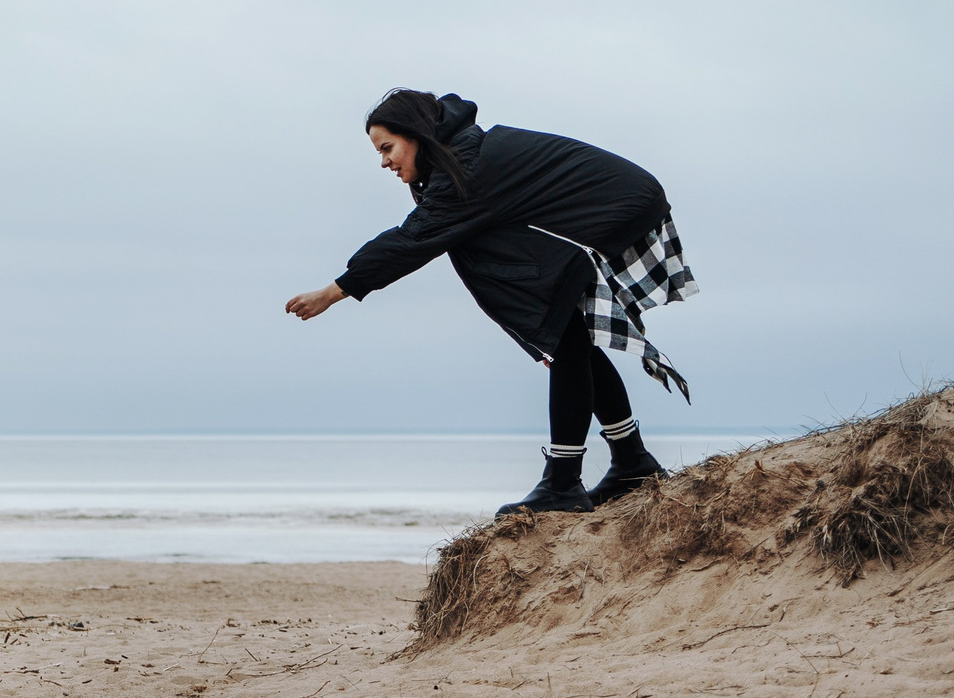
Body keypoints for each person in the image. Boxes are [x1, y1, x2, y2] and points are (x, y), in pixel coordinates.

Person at [284, 89, 697, 516]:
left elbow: (412, 241)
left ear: (418, 135)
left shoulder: (466, 167)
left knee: (564, 334)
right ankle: (631, 462)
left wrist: (334, 291)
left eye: (388, 147)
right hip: (615, 205)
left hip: (614, 208)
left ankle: (563, 481)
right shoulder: (462, 162)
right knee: (567, 334)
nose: (384, 161)